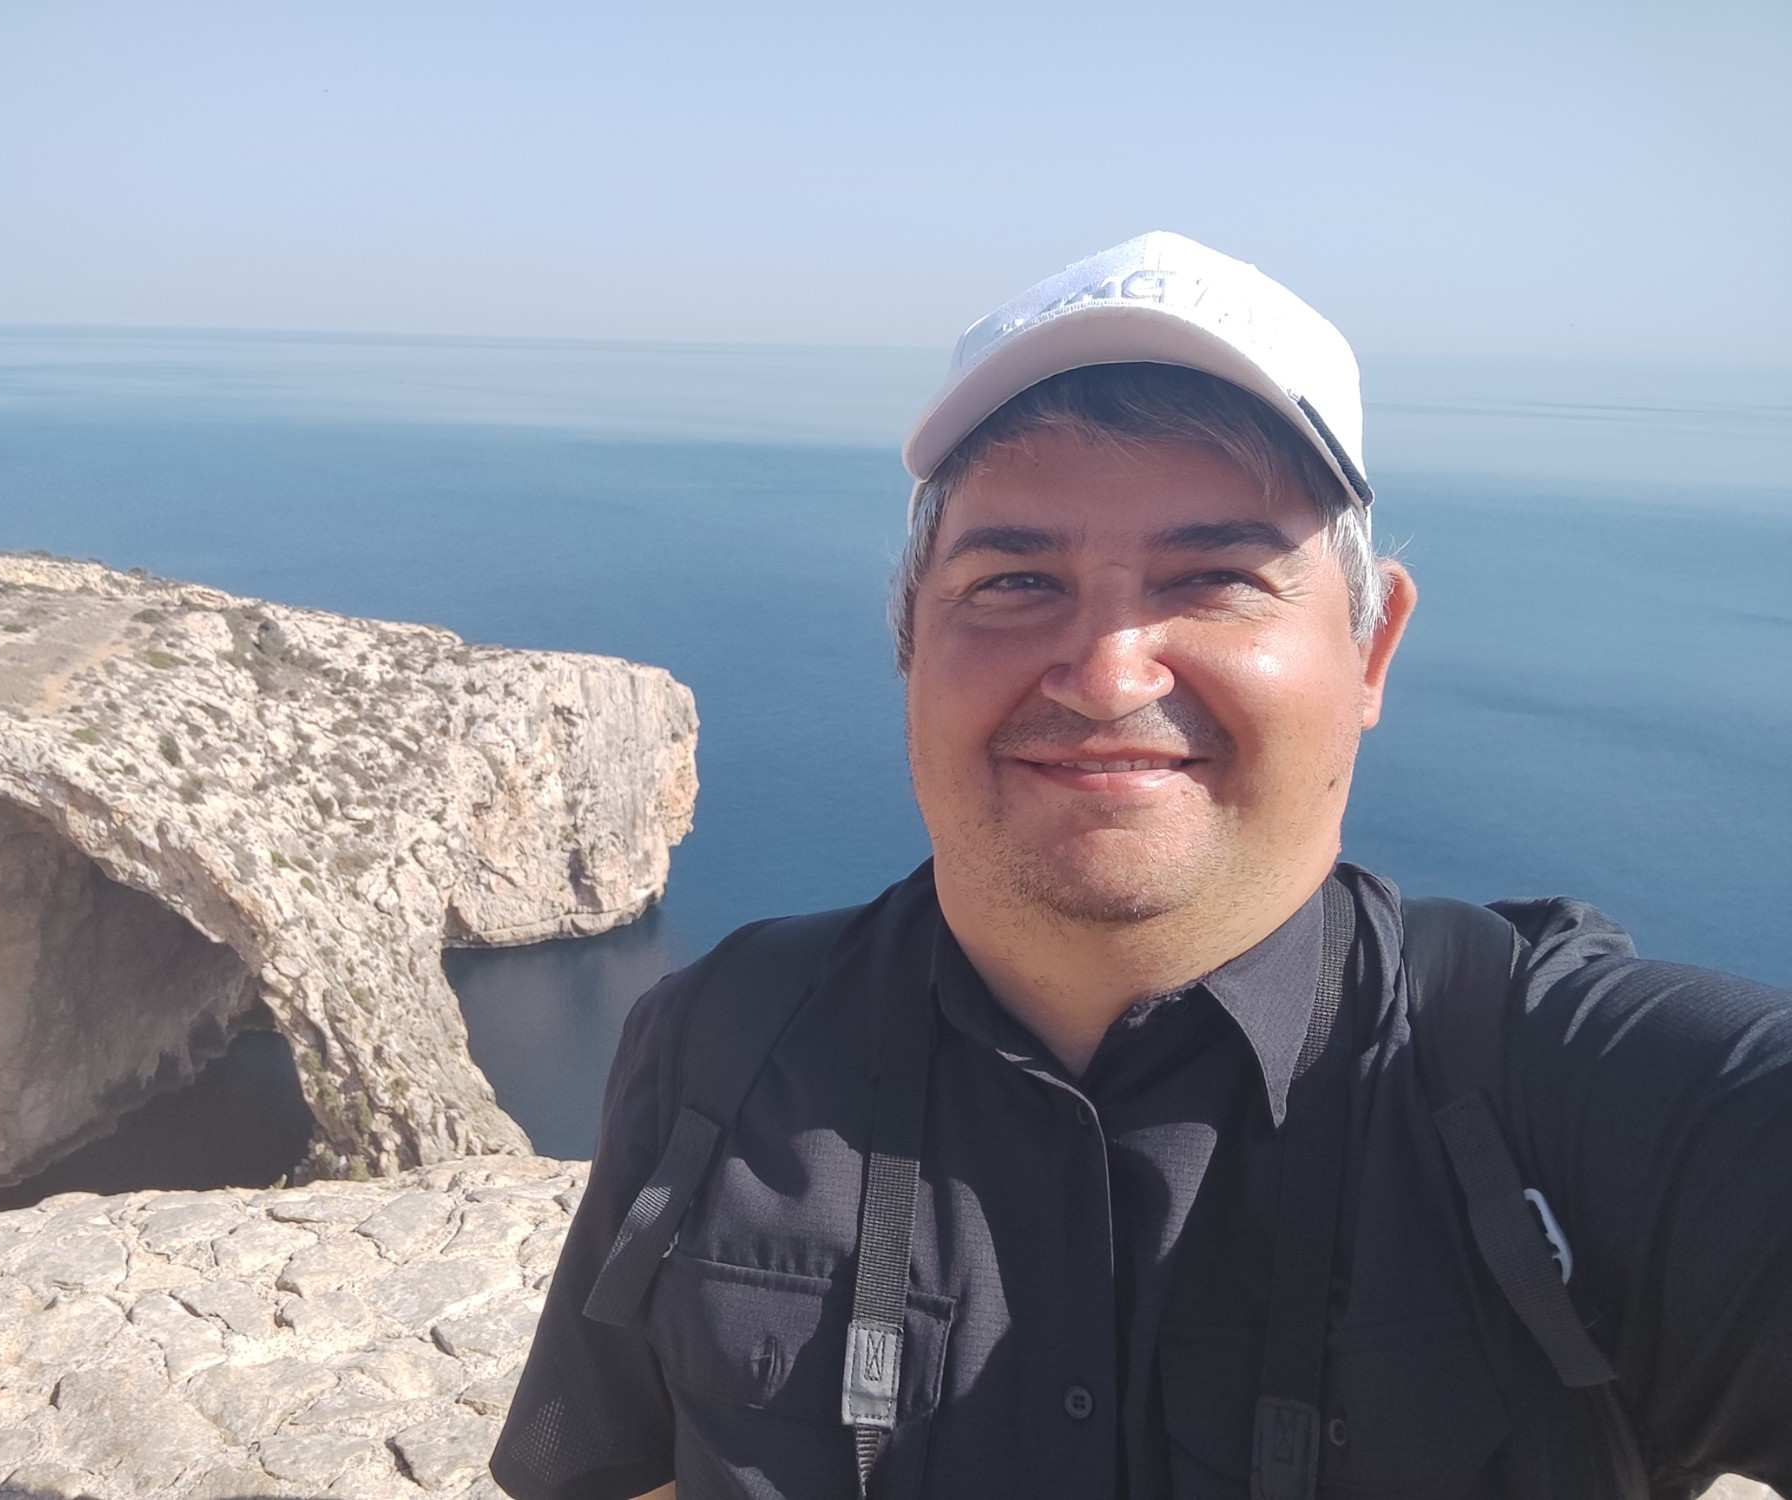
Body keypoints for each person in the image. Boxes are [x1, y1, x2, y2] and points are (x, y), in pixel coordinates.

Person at [489, 232, 1792, 1500]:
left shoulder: (1578, 1111)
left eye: (1218, 576)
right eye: (1012, 581)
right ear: (908, 635)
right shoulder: (720, 1047)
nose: (1109, 673)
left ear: (1370, 649)